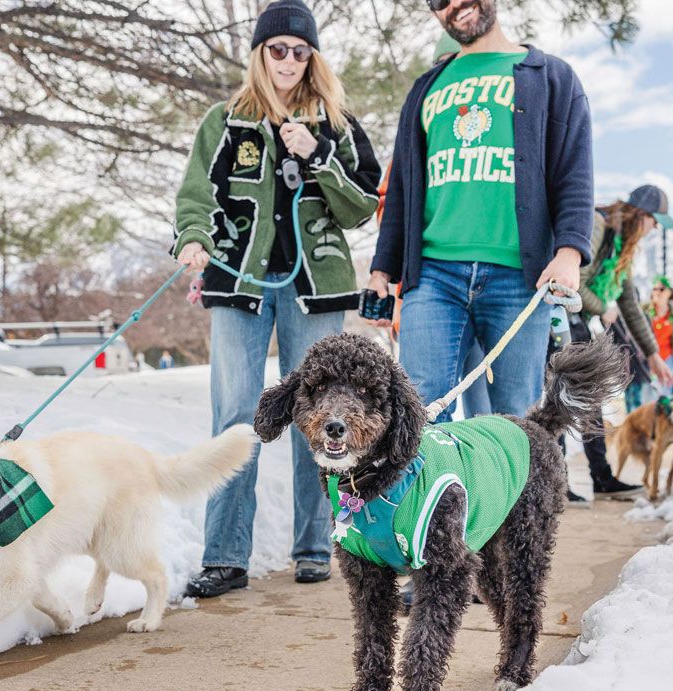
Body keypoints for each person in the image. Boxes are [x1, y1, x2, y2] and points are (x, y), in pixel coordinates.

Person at [172, 0, 381, 598]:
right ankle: (225, 556)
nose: (289, 59)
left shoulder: (336, 123)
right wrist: (194, 239)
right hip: (240, 283)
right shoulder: (225, 120)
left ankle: (317, 547)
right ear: (260, 55)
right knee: (235, 415)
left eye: (300, 50)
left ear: (312, 57)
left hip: (315, 289)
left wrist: (316, 158)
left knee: (320, 420)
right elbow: (195, 196)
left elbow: (362, 205)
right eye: (277, 49)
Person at [366, 0, 595, 427]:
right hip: (433, 277)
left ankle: (510, 497)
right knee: (417, 418)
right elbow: (401, 189)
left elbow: (574, 172)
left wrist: (570, 252)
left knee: (515, 421)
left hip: (520, 279)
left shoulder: (552, 77)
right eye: (438, 2)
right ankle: (437, 497)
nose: (454, 5)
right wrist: (382, 269)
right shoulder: (425, 88)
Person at [570, 185, 673, 504]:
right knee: (565, 402)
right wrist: (602, 307)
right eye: (655, 221)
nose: (655, 228)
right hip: (558, 321)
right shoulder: (598, 226)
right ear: (641, 215)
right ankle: (559, 480)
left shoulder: (623, 247)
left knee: (587, 401)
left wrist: (653, 354)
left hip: (580, 324)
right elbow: (572, 282)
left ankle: (602, 477)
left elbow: (630, 305)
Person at [646, 276, 673, 395]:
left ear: (669, 293)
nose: (657, 292)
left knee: (666, 393)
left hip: (668, 358)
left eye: (661, 289)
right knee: (650, 393)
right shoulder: (643, 311)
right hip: (649, 357)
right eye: (654, 289)